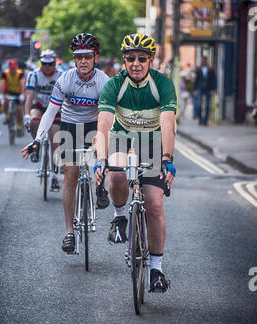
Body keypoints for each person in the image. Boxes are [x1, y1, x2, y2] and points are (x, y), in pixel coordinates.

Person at [94, 33, 177, 293]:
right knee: (117, 174)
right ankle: (120, 218)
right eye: (131, 58)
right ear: (125, 61)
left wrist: (167, 159)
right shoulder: (113, 85)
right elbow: (104, 124)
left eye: (142, 58)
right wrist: (100, 160)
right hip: (122, 139)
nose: (136, 63)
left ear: (150, 60)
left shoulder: (162, 84)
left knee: (153, 204)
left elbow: (167, 123)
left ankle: (156, 269)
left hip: (152, 144)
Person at [21, 33, 109, 253]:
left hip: (95, 125)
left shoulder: (104, 81)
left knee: (103, 156)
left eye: (88, 56)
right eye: (79, 57)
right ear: (74, 58)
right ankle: (69, 232)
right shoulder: (66, 79)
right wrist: (38, 139)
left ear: (95, 57)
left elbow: (110, 117)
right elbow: (50, 113)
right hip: (70, 126)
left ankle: (100, 187)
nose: (83, 61)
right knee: (70, 174)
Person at [24, 49, 63, 191]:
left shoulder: (61, 75)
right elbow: (29, 96)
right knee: (34, 119)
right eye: (44, 64)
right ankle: (36, 146)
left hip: (56, 109)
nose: (47, 67)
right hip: (39, 105)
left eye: (50, 64)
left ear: (55, 63)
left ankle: (54, 176)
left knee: (55, 142)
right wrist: (26, 115)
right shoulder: (34, 74)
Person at [0, 59, 25, 135]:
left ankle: (19, 126)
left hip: (18, 92)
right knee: (5, 101)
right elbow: (2, 84)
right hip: (8, 91)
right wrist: (1, 94)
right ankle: (7, 116)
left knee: (19, 109)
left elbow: (22, 84)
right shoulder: (5, 73)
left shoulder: (20, 73)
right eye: (11, 69)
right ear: (9, 68)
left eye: (14, 69)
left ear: (16, 68)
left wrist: (22, 94)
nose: (13, 71)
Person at [194, 56, 216, 126]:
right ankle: (200, 119)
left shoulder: (211, 69)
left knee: (207, 105)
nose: (203, 61)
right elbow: (196, 80)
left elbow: (214, 80)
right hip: (200, 88)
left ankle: (205, 121)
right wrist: (195, 89)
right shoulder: (199, 69)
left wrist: (213, 89)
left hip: (208, 89)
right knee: (199, 104)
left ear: (206, 61)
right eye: (202, 60)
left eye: (204, 60)